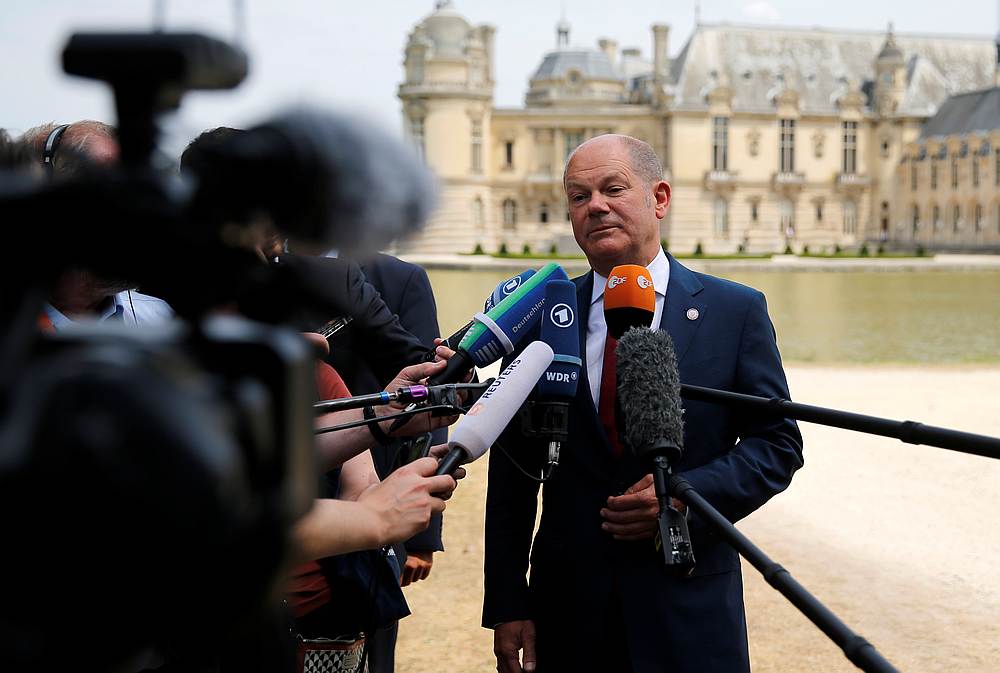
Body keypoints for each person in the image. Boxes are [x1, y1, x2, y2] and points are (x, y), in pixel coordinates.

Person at [483, 134, 804, 673]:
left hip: (688, 607)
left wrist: (686, 496)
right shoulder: (541, 317)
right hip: (568, 611)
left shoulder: (735, 311)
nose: (596, 207)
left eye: (613, 189)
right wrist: (508, 601)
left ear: (659, 198)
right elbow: (513, 474)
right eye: (579, 196)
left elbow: (777, 444)